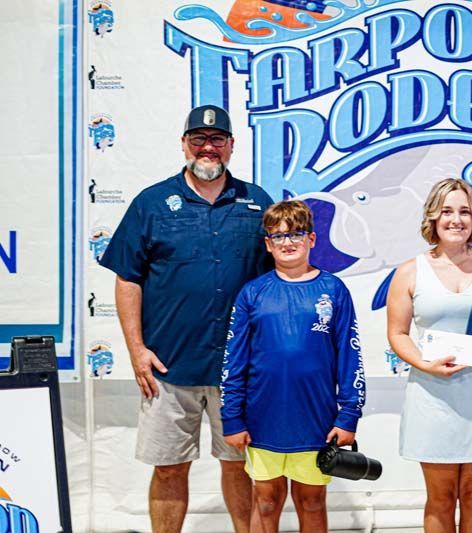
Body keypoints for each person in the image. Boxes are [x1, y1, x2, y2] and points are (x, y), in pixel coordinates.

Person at [99, 104, 273, 533]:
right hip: (169, 368)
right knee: (169, 468)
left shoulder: (257, 203)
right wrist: (137, 351)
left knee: (240, 465)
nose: (207, 147)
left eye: (217, 139)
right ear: (183, 144)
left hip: (239, 368)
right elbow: (128, 280)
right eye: (198, 139)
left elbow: (279, 281)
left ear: (231, 145)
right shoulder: (152, 203)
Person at [221, 200, 365, 533]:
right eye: (279, 236)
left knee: (311, 501)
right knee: (266, 501)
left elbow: (350, 357)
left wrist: (348, 415)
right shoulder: (253, 293)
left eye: (296, 234)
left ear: (312, 239)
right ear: (268, 244)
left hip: (315, 419)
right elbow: (233, 360)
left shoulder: (333, 290)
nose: (288, 242)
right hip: (262, 418)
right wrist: (232, 417)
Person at [386, 178, 472, 533]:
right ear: (433, 217)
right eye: (447, 211)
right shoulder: (409, 271)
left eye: (464, 211)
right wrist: (425, 364)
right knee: (441, 498)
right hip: (432, 397)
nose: (455, 220)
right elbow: (397, 333)